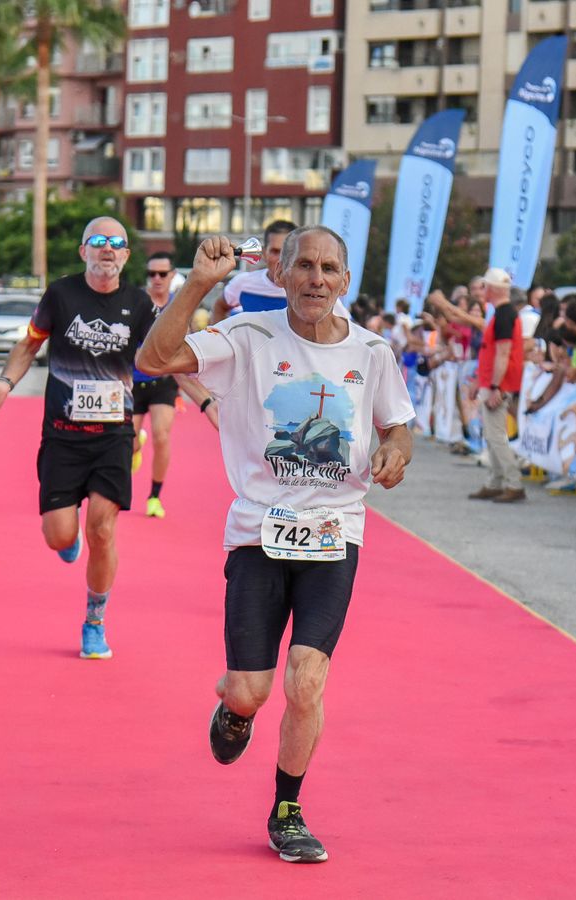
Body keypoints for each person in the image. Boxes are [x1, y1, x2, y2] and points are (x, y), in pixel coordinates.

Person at [135, 228, 414, 865]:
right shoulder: (247, 338)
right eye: (305, 267)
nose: (317, 279)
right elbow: (155, 361)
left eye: (329, 269)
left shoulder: (372, 353)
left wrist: (397, 449)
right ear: (280, 275)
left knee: (307, 680)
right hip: (259, 532)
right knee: (250, 690)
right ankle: (234, 709)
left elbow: (396, 423)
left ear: (345, 281)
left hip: (336, 531)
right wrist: (199, 283)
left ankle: (287, 809)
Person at [0, 217, 156, 660]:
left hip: (114, 435)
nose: (107, 249)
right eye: (98, 241)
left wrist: (207, 400)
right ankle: (66, 537)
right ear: (83, 251)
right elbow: (29, 345)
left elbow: (161, 356)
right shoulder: (61, 294)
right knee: (59, 536)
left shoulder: (139, 303)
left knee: (103, 529)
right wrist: (3, 384)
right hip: (62, 435)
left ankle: (95, 620)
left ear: (126, 255)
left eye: (117, 243)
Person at [130, 251, 218, 518]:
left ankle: (154, 496)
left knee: (161, 435)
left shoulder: (179, 306)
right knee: (130, 443)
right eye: (151, 274)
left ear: (171, 276)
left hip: (165, 382)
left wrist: (201, 392)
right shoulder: (136, 302)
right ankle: (136, 445)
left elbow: (186, 347)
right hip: (133, 382)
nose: (156, 279)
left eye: (162, 274)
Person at [428, 268, 525, 502]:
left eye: (484, 287)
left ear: (491, 289)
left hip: (499, 384)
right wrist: (484, 382)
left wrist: (494, 388)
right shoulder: (503, 314)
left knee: (495, 435)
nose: (481, 292)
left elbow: (502, 355)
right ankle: (496, 481)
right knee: (492, 435)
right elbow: (494, 353)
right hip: (496, 382)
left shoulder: (503, 315)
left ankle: (512, 482)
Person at [212, 219, 296, 323]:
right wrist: (218, 338)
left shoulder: (306, 287)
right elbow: (219, 307)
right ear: (264, 253)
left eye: (287, 252)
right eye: (275, 251)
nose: (281, 259)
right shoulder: (244, 282)